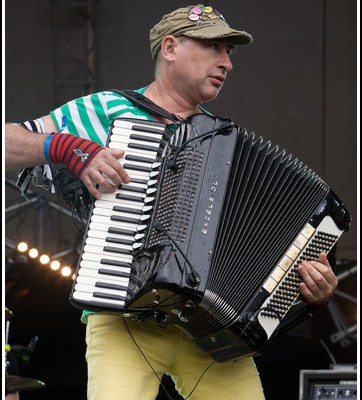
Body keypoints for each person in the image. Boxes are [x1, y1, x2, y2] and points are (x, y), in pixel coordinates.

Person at [5, 4, 338, 399]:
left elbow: (260, 268)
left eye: (229, 53)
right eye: (216, 48)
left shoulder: (223, 144)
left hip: (210, 331)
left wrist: (310, 293)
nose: (227, 63)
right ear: (170, 47)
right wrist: (64, 146)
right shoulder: (106, 110)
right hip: (122, 317)